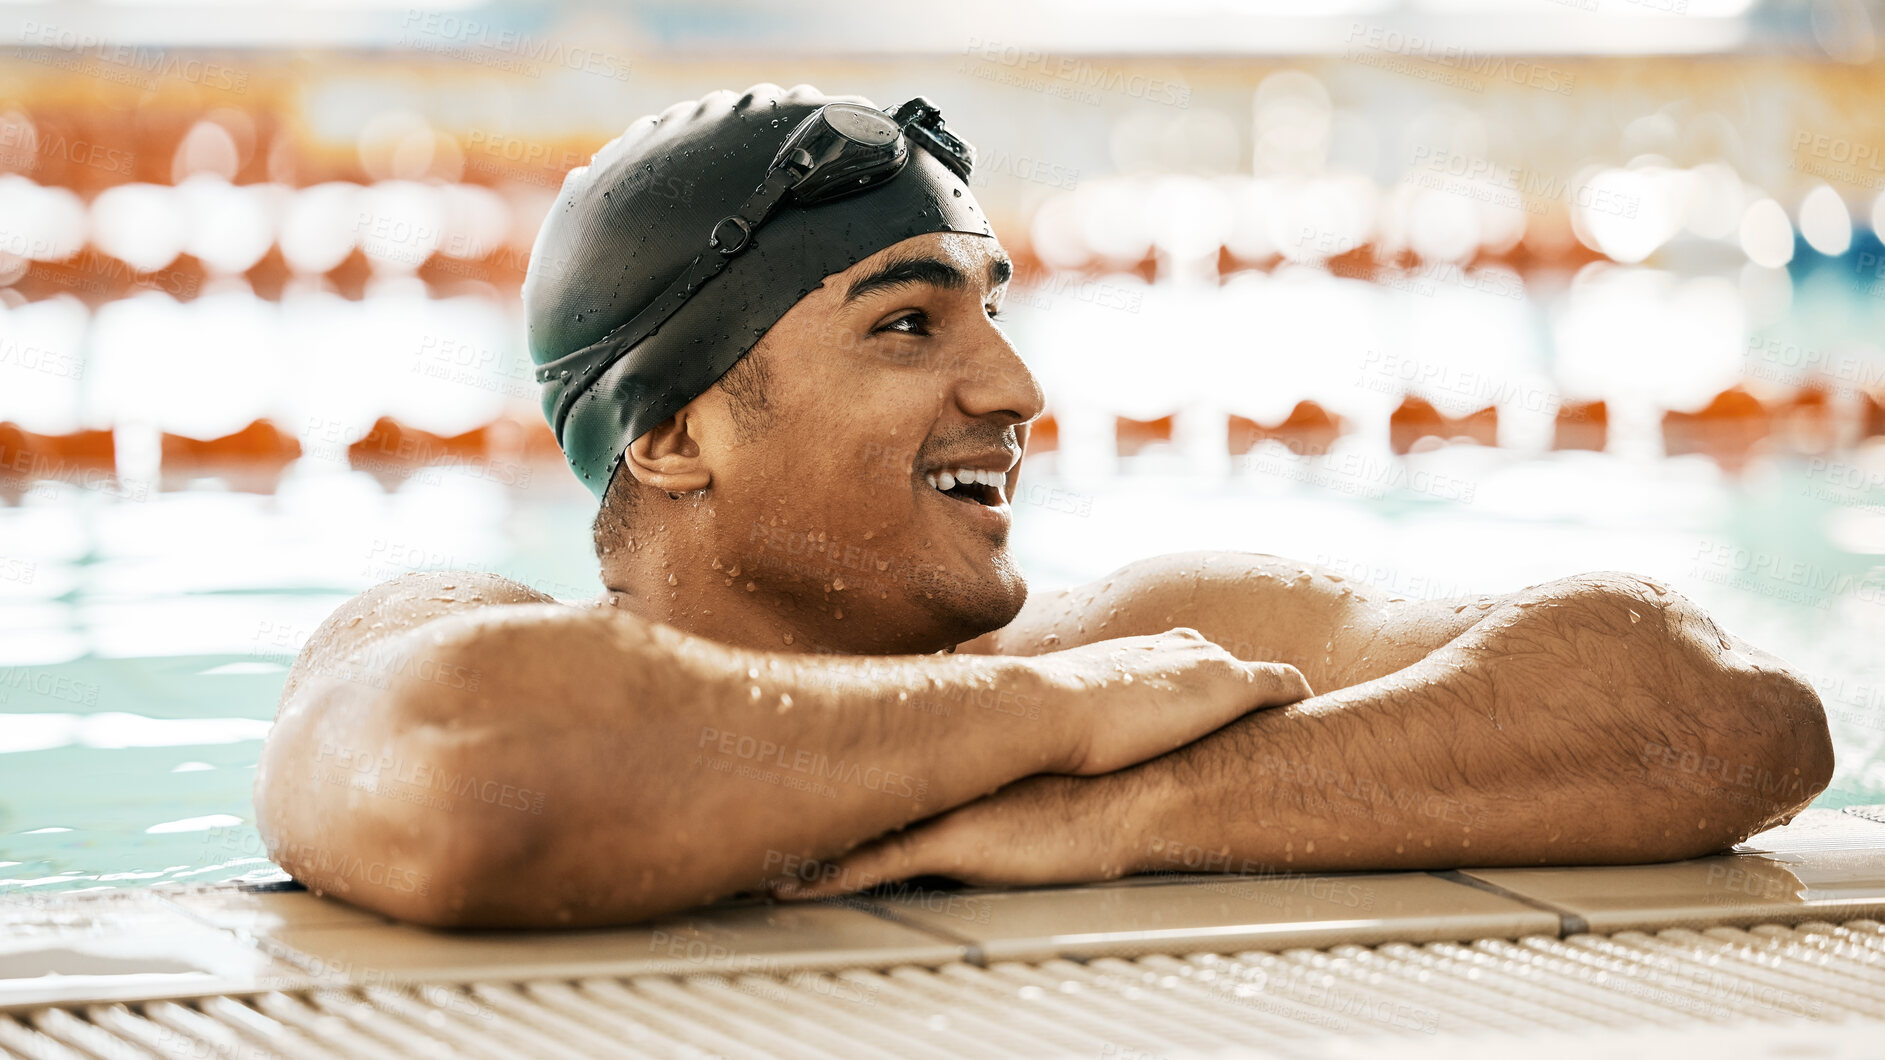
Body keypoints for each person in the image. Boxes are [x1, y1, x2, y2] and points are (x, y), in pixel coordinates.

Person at [254, 84, 1832, 929]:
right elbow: (463, 773)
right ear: (670, 437)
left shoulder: (1148, 646)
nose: (1014, 391)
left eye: (990, 312)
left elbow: (1715, 714)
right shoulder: (461, 641)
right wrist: (1054, 717)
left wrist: (1111, 813)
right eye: (905, 323)